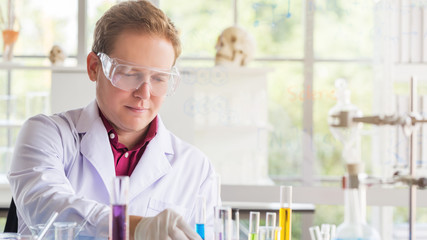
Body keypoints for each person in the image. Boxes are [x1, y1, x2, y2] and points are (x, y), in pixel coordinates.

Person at [7, 1, 219, 240]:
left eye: (159, 78)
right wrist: (135, 227)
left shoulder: (196, 169)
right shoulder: (47, 134)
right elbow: (46, 209)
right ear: (94, 67)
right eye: (129, 74)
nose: (144, 93)